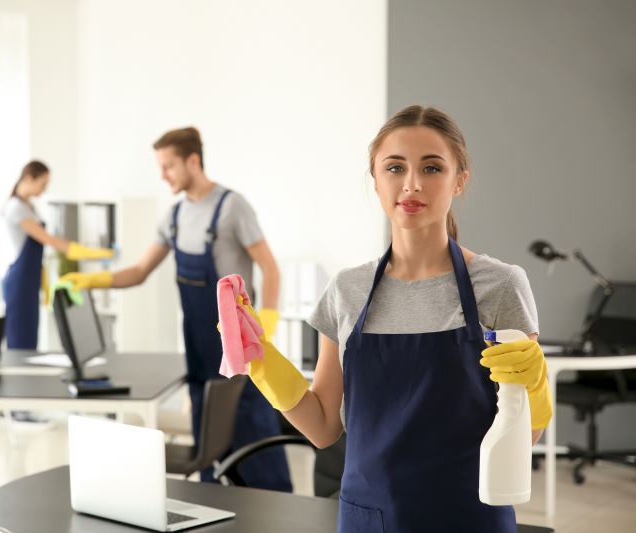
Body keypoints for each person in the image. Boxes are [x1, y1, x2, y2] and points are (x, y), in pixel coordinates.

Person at [235, 106, 554, 531]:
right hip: (370, 518)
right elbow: (325, 427)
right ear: (376, 180)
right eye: (395, 167)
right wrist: (260, 360)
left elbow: (522, 439)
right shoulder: (347, 291)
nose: (412, 184)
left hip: (470, 517)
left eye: (432, 167)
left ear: (460, 179)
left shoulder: (500, 286)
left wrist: (535, 388)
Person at [61, 127, 292, 491]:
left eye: (168, 166)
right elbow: (138, 272)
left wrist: (269, 322)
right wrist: (91, 281)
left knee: (254, 444)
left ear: (193, 161)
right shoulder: (173, 217)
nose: (163, 175)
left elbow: (270, 268)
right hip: (200, 351)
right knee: (209, 451)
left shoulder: (233, 207)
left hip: (242, 351)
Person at [1, 160, 113, 351]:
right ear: (29, 178)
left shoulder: (29, 206)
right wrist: (84, 252)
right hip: (19, 282)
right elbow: (47, 239)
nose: (44, 190)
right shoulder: (15, 207)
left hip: (29, 279)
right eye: (43, 184)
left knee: (29, 336)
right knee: (20, 341)